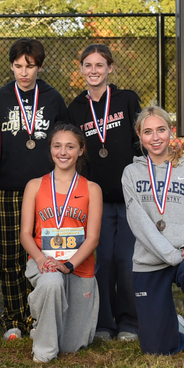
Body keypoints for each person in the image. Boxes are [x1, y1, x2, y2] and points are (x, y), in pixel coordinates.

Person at [122, 106, 184, 368]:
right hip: (150, 259)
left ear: (170, 132)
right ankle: (177, 325)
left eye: (161, 130)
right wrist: (172, 255)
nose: (155, 137)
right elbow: (140, 224)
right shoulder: (131, 173)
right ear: (140, 136)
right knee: (156, 350)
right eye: (148, 131)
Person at [0, 38, 68, 342]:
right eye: (18, 66)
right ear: (11, 66)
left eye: (30, 66)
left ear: (39, 66)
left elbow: (63, 141)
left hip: (44, 189)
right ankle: (14, 318)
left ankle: (38, 317)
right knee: (10, 256)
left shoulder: (52, 98)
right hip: (7, 188)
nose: (24, 72)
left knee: (42, 255)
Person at [67, 44, 142, 342]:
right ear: (82, 69)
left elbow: (141, 142)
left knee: (126, 260)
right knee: (103, 261)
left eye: (100, 65)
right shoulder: (76, 108)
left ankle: (129, 322)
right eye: (88, 65)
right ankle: (103, 323)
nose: (94, 70)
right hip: (95, 197)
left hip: (129, 197)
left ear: (110, 68)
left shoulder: (126, 99)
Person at [19, 123, 102, 363]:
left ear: (81, 150)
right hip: (44, 264)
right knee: (53, 281)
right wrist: (42, 259)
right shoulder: (34, 186)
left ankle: (44, 324)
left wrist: (69, 264)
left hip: (78, 268)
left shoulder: (92, 189)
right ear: (51, 149)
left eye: (70, 146)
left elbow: (93, 237)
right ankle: (43, 352)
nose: (63, 152)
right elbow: (25, 234)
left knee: (72, 345)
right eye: (57, 146)